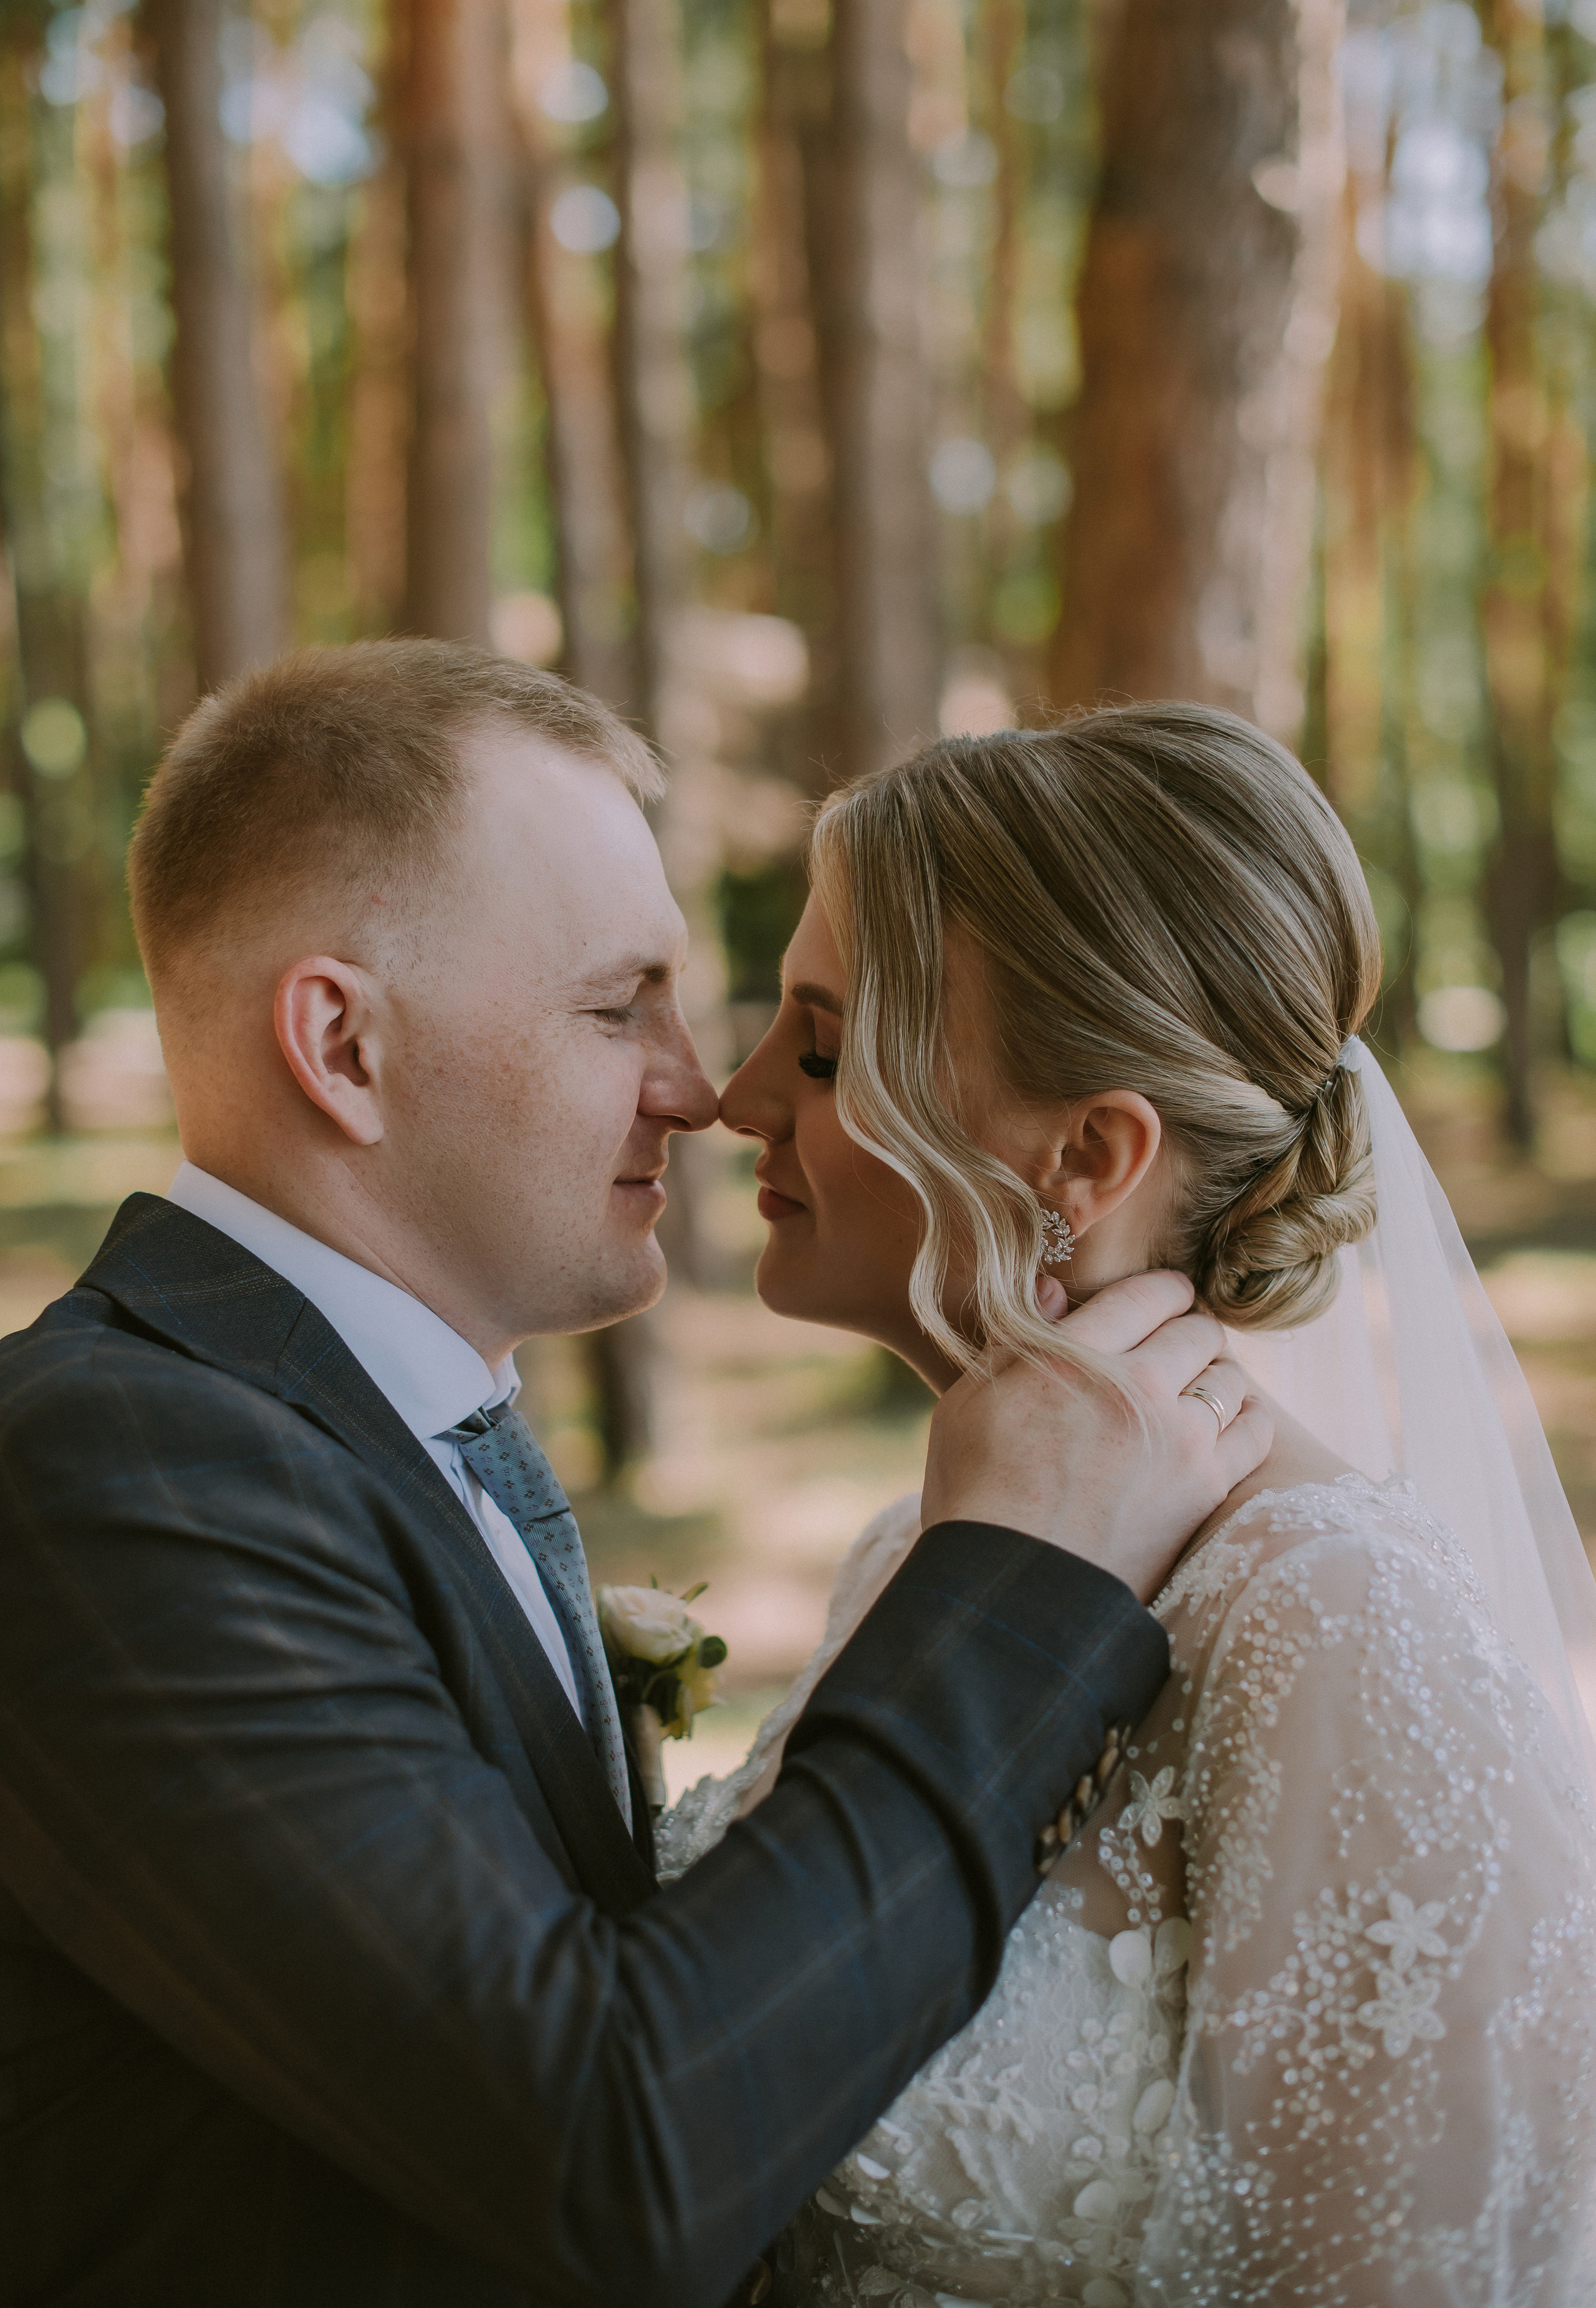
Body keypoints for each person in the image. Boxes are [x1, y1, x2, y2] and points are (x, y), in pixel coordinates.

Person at [0, 643, 1269, 2308]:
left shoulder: (378, 1426)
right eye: (619, 1006)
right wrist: (1019, 1576)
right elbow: (617, 2148)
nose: (703, 1089)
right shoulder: (119, 1470)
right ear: (342, 1045)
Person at [697, 703, 1596, 2306]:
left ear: (1085, 1157)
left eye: (824, 1050)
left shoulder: (1333, 1627)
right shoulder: (908, 1564)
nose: (735, 1095)